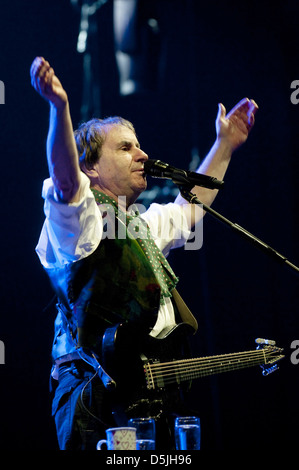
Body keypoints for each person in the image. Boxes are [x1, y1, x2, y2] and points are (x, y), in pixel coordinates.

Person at [30, 56, 258, 450]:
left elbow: (189, 209)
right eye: (125, 148)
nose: (142, 155)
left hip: (149, 404)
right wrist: (60, 107)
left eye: (138, 145)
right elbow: (67, 181)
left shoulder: (140, 224)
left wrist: (225, 144)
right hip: (99, 406)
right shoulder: (77, 222)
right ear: (92, 169)